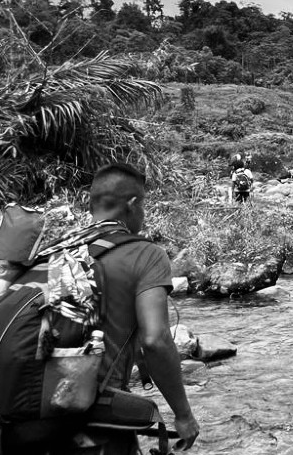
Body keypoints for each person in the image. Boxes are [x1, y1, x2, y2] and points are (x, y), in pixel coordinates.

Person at [62, 163, 200, 453]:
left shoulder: (56, 251)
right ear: (133, 204)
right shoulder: (145, 254)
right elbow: (155, 340)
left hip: (30, 410)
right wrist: (183, 414)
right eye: (144, 206)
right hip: (93, 416)